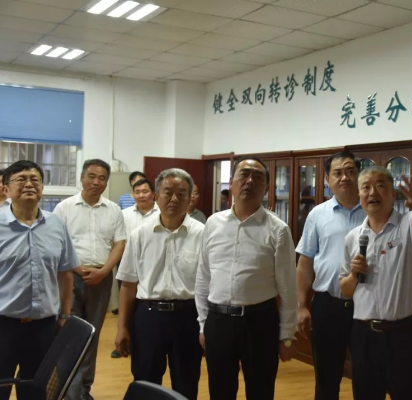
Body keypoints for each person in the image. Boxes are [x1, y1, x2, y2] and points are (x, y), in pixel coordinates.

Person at [195, 157, 297, 400]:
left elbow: (288, 288)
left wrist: (287, 335)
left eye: (257, 176)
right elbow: (203, 277)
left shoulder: (278, 229)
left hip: (260, 322)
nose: (249, 181)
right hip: (218, 321)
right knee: (220, 391)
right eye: (244, 174)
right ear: (231, 182)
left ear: (267, 188)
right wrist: (203, 323)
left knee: (261, 391)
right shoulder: (213, 223)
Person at [339, 166, 412, 400]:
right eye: (366, 187)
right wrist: (353, 275)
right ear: (359, 195)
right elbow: (345, 289)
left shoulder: (408, 225)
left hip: (405, 335)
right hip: (364, 335)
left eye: (380, 186)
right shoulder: (353, 237)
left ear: (393, 194)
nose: (373, 192)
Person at [116, 169, 204, 400]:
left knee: (186, 383)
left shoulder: (203, 234)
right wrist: (122, 327)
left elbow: (209, 286)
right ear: (157, 195)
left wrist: (206, 327)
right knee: (145, 382)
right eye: (168, 193)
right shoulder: (139, 235)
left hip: (188, 317)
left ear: (190, 197)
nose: (174, 199)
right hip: (148, 318)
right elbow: (128, 285)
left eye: (181, 193)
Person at [0, 160, 79, 400]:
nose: (29, 184)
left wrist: (64, 315)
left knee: (36, 389)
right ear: (6, 188)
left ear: (42, 188)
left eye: (35, 179)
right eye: (21, 179)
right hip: (4, 325)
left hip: (43, 326)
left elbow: (65, 271)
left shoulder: (56, 224)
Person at [54, 159, 126, 400]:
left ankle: (84, 390)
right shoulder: (64, 208)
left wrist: (104, 271)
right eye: (92, 176)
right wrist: (78, 268)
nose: (97, 182)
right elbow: (57, 243)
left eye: (102, 178)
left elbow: (119, 243)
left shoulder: (113, 210)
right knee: (69, 335)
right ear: (82, 178)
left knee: (92, 336)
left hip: (101, 279)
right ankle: (68, 392)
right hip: (70, 277)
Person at [296, 151, 365, 400]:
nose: (344, 177)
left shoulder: (374, 211)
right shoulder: (318, 214)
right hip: (328, 305)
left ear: (359, 175)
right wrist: (301, 305)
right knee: (326, 379)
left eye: (350, 171)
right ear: (327, 179)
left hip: (367, 306)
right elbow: (305, 262)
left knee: (368, 377)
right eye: (338, 173)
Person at [110, 178, 159, 358]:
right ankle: (123, 342)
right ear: (132, 195)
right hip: (128, 265)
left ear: (153, 194)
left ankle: (147, 342)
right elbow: (118, 240)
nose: (141, 195)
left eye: (145, 191)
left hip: (152, 268)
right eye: (137, 192)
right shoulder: (124, 214)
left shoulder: (161, 214)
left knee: (146, 307)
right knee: (127, 305)